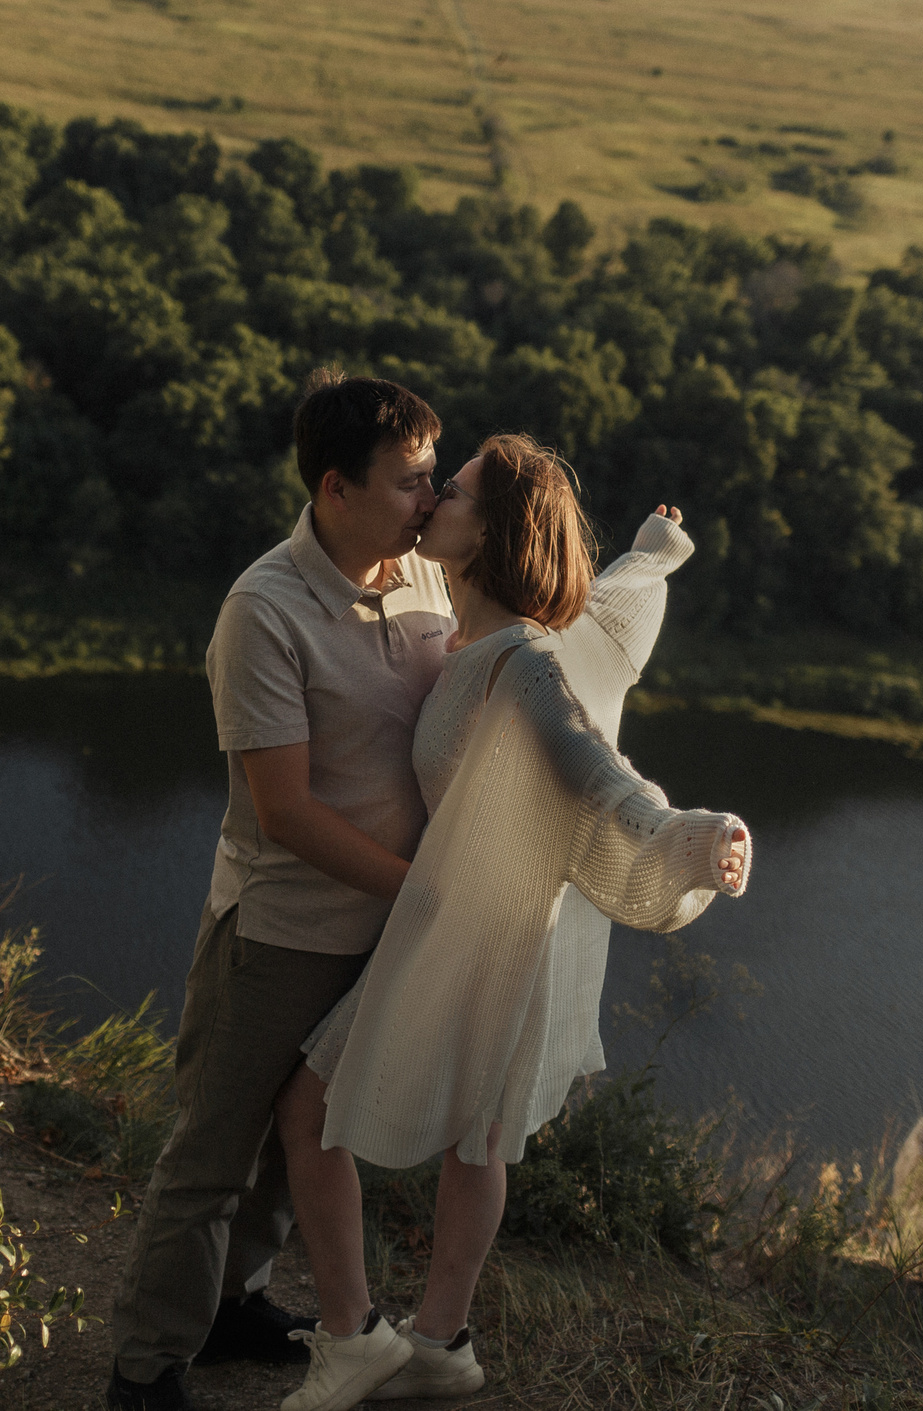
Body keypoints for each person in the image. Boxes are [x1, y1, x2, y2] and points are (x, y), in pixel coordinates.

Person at [270, 435, 753, 1411]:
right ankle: (438, 1345)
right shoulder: (501, 631)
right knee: (478, 1141)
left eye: (447, 490)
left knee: (318, 1115)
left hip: (487, 937)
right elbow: (618, 605)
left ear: (487, 531)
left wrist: (688, 839)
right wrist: (657, 548)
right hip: (484, 926)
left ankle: (360, 1334)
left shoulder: (521, 661)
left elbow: (596, 772)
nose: (428, 500)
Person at [105, 371, 455, 1411]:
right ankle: (142, 1368)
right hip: (280, 932)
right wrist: (423, 894)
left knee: (304, 1140)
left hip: (379, 929)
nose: (429, 498)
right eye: (409, 482)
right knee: (212, 1154)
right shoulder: (263, 611)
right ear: (336, 488)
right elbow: (284, 813)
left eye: (435, 477)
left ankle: (229, 1310)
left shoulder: (426, 577)